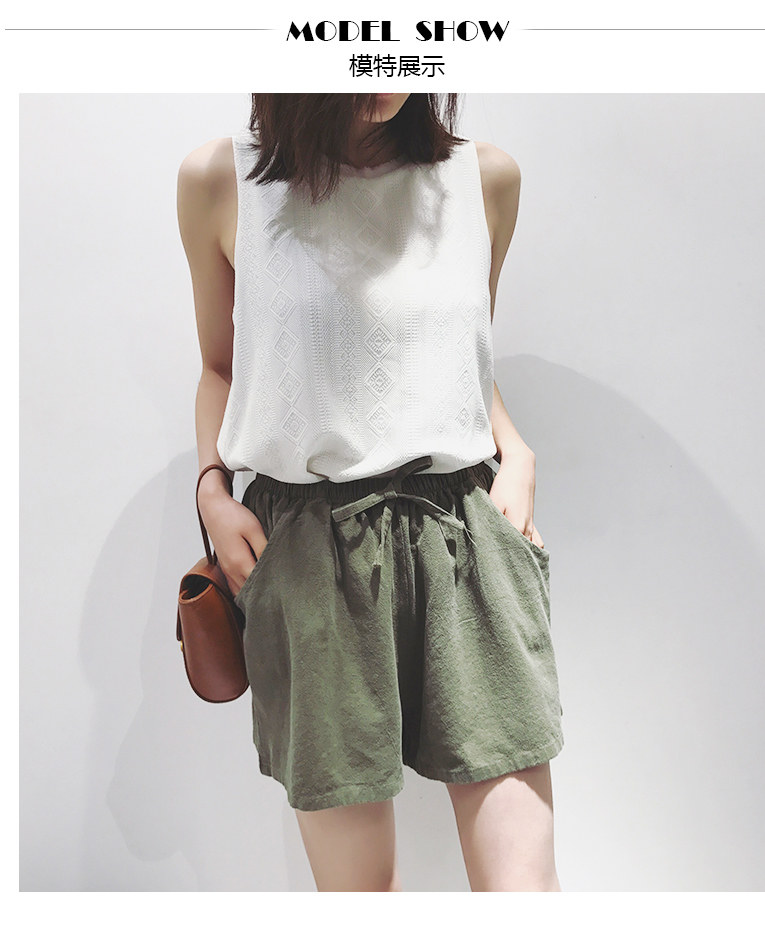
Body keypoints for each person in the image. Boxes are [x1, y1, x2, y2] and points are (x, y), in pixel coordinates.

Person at [176, 92, 564, 892]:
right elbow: (220, 366)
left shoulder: (485, 179)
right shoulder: (223, 180)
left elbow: (460, 357)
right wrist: (213, 489)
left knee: (524, 891)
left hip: (466, 534)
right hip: (311, 555)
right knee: (361, 896)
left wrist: (516, 450)